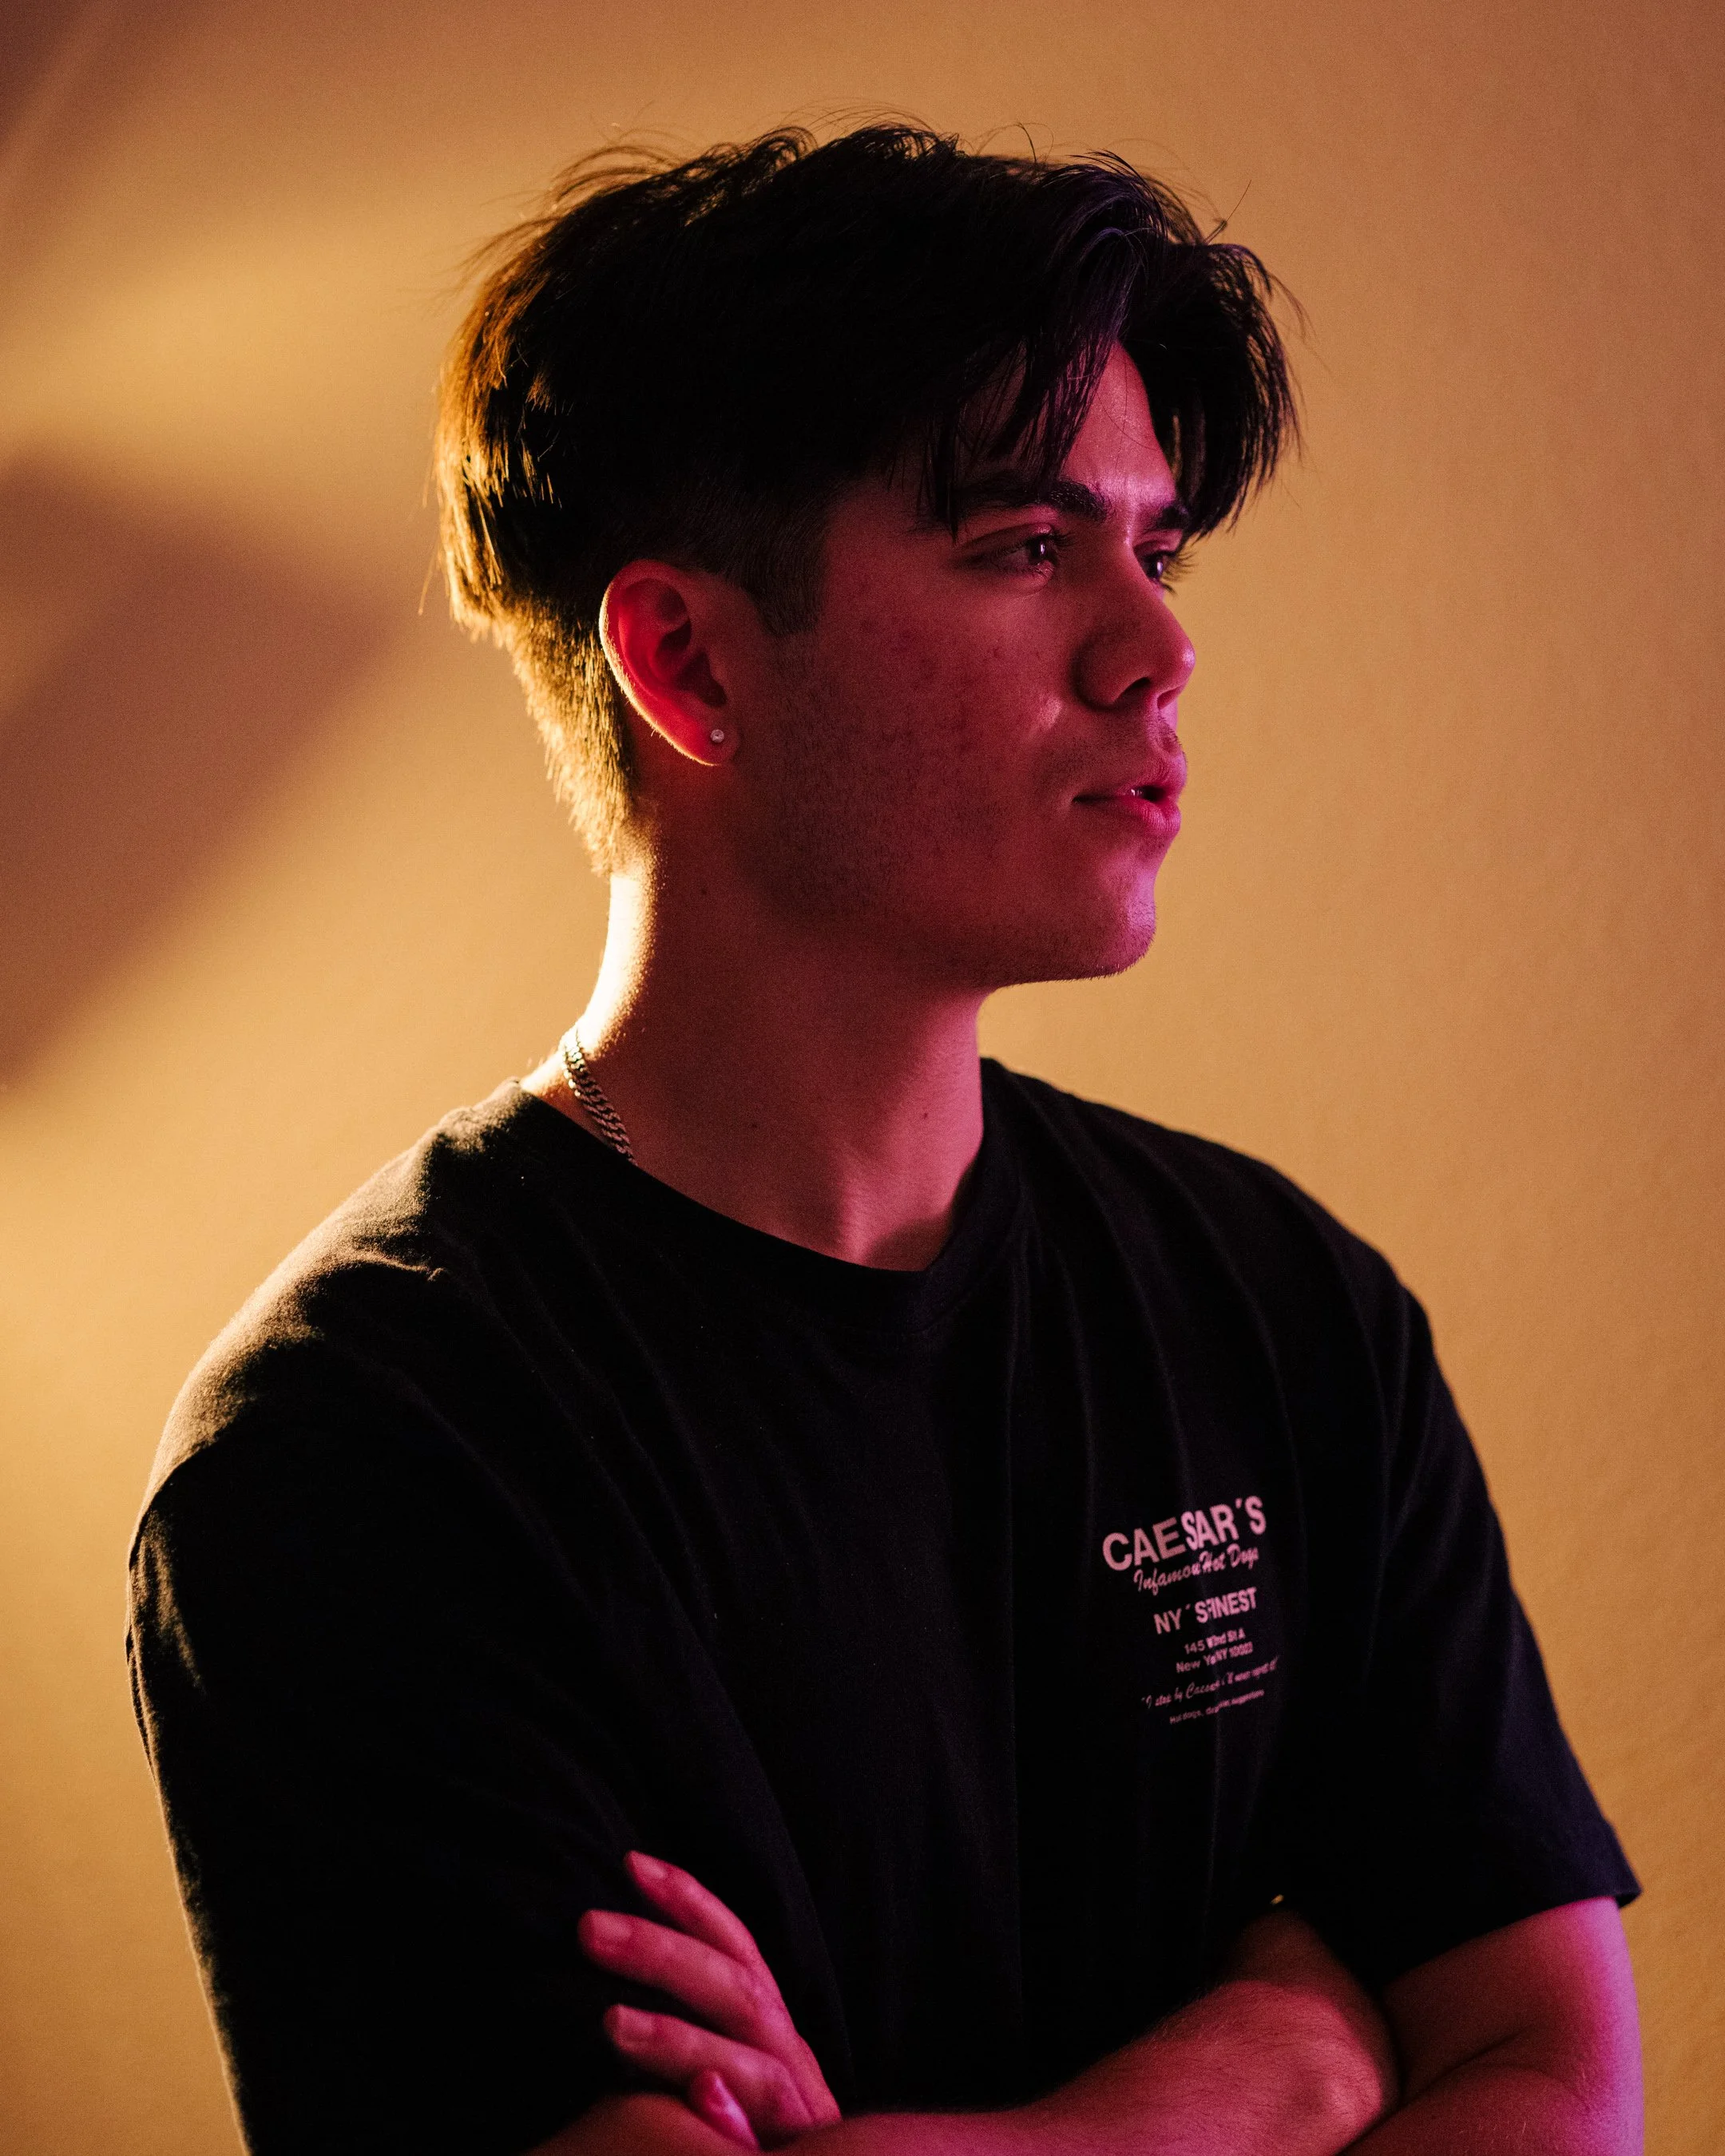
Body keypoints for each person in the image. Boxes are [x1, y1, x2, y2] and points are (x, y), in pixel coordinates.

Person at [128, 125, 1643, 2156]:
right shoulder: (363, 1450)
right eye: (1026, 548)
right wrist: (1263, 2068)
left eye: (1158, 550)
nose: (1156, 648)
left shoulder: (1281, 1305)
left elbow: (1551, 2077)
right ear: (688, 660)